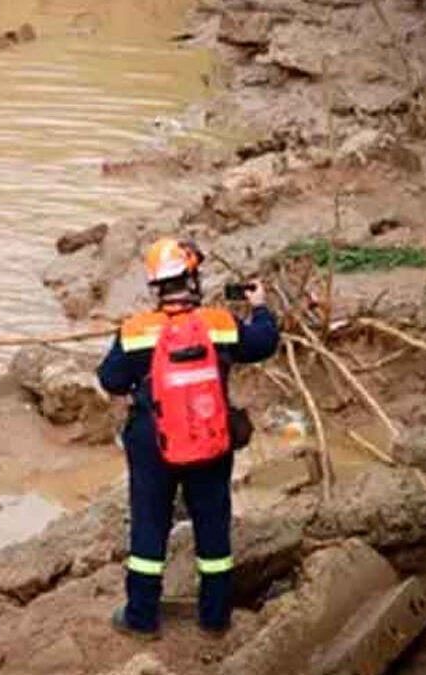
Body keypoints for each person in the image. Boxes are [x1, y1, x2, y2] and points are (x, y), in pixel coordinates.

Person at [97, 237, 279, 639]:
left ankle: (141, 618)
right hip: (209, 435)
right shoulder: (220, 323)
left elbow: (110, 379)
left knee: (148, 526)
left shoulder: (135, 330)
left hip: (151, 441)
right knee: (213, 526)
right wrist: (261, 306)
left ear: (156, 287)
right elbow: (265, 342)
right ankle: (214, 619)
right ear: (193, 278)